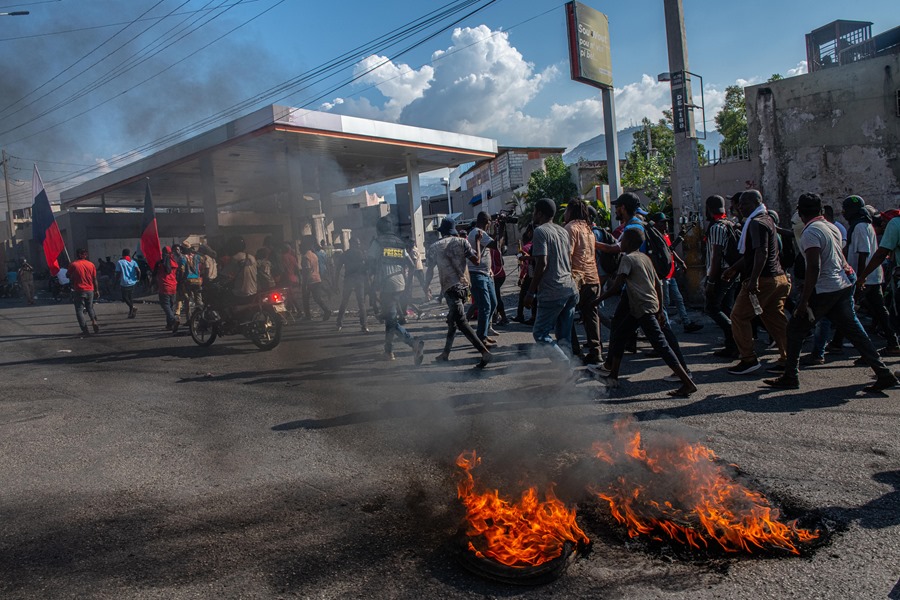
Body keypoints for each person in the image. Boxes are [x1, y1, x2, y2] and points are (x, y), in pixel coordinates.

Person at [764, 193, 898, 392]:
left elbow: (814, 267)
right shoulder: (831, 227)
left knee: (795, 329)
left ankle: (791, 376)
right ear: (821, 210)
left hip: (825, 288)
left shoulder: (811, 232)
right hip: (841, 285)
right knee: (855, 331)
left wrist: (804, 301)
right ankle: (883, 373)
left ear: (800, 213)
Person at [592, 229, 697, 397]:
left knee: (661, 345)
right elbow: (658, 284)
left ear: (628, 243)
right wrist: (660, 308)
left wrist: (596, 301)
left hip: (642, 308)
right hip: (645, 306)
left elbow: (617, 287)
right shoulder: (644, 258)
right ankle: (613, 376)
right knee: (619, 335)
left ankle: (687, 383)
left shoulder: (628, 259)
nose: (620, 243)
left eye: (623, 240)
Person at [722, 190, 790, 375]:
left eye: (744, 204)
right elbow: (751, 254)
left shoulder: (755, 223)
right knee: (774, 318)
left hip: (764, 279)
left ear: (755, 203)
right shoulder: (767, 219)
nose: (740, 207)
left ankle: (748, 358)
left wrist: (753, 280)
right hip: (779, 278)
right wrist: (734, 268)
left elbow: (761, 253)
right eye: (740, 204)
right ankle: (789, 357)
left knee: (738, 316)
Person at [425, 217, 493, 368]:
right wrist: (476, 241)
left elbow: (429, 271)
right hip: (464, 288)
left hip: (450, 288)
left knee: (461, 322)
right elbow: (476, 261)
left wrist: (426, 287)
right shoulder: (463, 242)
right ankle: (445, 354)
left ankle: (484, 352)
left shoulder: (434, 247)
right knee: (452, 320)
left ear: (442, 232)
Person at [840, 195, 900, 356]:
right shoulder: (864, 225)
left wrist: (860, 277)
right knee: (879, 311)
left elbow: (864, 253)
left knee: (846, 311)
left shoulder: (860, 226)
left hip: (866, 276)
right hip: (872, 275)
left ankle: (864, 351)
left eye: (846, 210)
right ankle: (892, 342)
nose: (843, 213)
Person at [524, 198, 579, 365]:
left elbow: (543, 263)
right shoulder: (562, 231)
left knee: (540, 334)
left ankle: (566, 368)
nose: (533, 215)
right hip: (570, 289)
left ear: (540, 213)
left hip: (552, 290)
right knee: (564, 338)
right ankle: (567, 380)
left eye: (534, 212)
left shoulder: (540, 231)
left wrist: (530, 292)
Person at [368, 216, 425, 364]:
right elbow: (411, 265)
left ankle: (413, 343)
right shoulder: (400, 243)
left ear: (379, 229)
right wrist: (407, 282)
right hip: (400, 284)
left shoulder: (378, 242)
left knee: (391, 320)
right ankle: (388, 351)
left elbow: (370, 263)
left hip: (386, 285)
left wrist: (371, 284)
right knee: (389, 318)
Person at [650, 212, 703, 334]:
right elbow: (668, 251)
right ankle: (665, 328)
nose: (665, 225)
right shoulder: (656, 238)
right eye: (662, 223)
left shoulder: (665, 236)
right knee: (665, 302)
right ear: (656, 224)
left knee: (678, 300)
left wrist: (680, 262)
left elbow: (670, 251)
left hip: (671, 274)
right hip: (663, 275)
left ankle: (686, 322)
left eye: (666, 222)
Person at [564, 199, 603, 365]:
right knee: (591, 316)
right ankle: (596, 352)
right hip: (593, 278)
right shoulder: (588, 229)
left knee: (567, 314)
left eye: (566, 211)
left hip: (578, 279)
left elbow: (568, 255)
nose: (564, 214)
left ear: (571, 211)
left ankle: (574, 350)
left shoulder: (570, 228)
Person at [704, 195, 740, 358]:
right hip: (732, 273)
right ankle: (732, 345)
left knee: (712, 308)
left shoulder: (717, 227)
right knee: (726, 308)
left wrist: (711, 281)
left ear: (709, 209)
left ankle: (735, 338)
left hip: (721, 274)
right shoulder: (731, 224)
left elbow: (716, 256)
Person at [467, 211, 498, 347]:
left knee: (493, 303)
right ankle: (481, 337)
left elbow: (495, 244)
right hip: (477, 274)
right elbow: (497, 245)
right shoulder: (478, 232)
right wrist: (500, 229)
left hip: (485, 274)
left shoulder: (480, 233)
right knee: (485, 306)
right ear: (487, 222)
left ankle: (483, 333)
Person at [335, 236, 370, 332]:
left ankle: (339, 324)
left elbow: (338, 268)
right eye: (357, 244)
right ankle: (364, 325)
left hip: (349, 280)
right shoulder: (362, 254)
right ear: (353, 244)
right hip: (359, 280)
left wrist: (335, 283)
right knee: (361, 303)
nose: (359, 245)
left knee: (344, 302)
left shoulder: (345, 254)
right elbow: (366, 269)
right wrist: (368, 282)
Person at [68, 248, 100, 336]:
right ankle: (94, 321)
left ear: (78, 255)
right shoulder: (91, 264)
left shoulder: (74, 264)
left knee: (79, 310)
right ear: (85, 255)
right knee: (90, 307)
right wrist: (97, 290)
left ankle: (85, 330)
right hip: (90, 289)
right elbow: (94, 279)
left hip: (79, 289)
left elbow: (68, 275)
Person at [301, 236, 332, 320]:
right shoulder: (314, 255)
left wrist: (305, 283)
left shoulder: (306, 257)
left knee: (305, 299)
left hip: (309, 280)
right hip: (317, 278)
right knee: (317, 298)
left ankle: (308, 316)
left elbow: (307, 270)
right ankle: (326, 310)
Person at [155, 246, 180, 332]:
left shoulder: (160, 263)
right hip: (173, 286)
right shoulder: (174, 262)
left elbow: (154, 273)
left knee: (165, 305)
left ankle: (173, 320)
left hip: (164, 286)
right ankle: (169, 325)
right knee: (170, 306)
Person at [115, 249, 141, 318]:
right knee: (130, 298)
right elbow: (138, 271)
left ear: (122, 254)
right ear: (129, 254)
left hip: (124, 283)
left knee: (124, 297)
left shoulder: (120, 262)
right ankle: (131, 313)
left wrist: (115, 281)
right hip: (133, 282)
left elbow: (118, 273)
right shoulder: (133, 262)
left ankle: (132, 307)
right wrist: (138, 279)